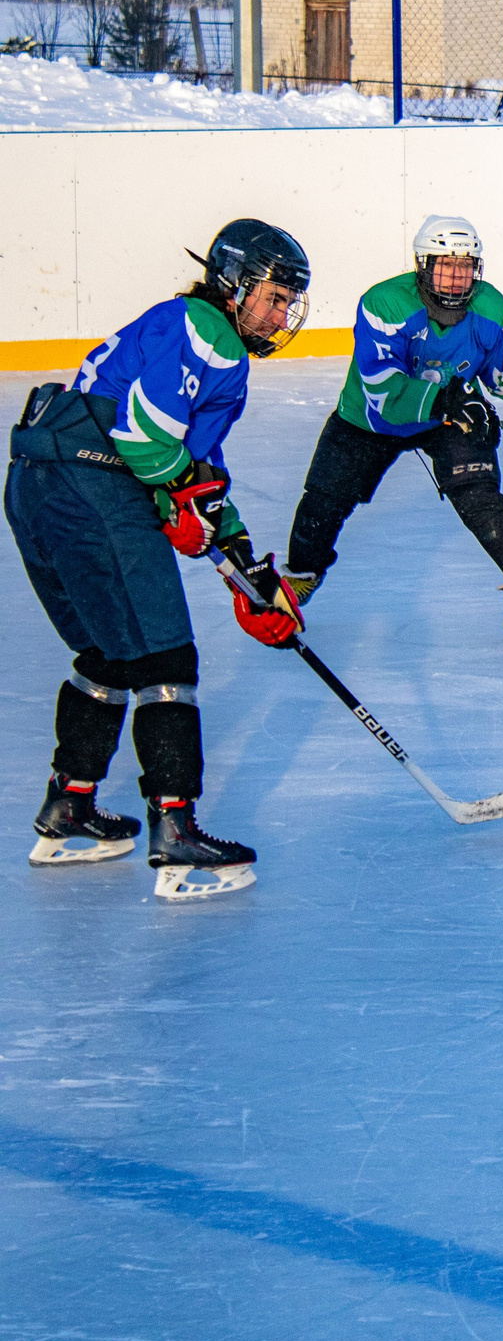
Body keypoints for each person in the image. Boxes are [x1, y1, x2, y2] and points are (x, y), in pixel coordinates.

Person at [7, 218, 311, 900]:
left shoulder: (190, 327)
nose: (281, 312)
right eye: (271, 295)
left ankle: (70, 809)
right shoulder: (210, 334)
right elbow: (145, 440)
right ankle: (175, 831)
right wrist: (184, 503)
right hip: (92, 483)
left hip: (40, 477)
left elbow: (193, 466)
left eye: (289, 301)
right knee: (166, 659)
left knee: (113, 653)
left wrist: (241, 560)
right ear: (232, 285)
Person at [282, 215, 503, 643]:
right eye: (445, 265)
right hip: (371, 419)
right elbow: (383, 393)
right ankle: (299, 579)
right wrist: (449, 401)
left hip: (453, 413)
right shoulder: (384, 303)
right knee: (324, 500)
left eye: (465, 266)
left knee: (480, 495)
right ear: (422, 265)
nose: (455, 277)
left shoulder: (490, 309)